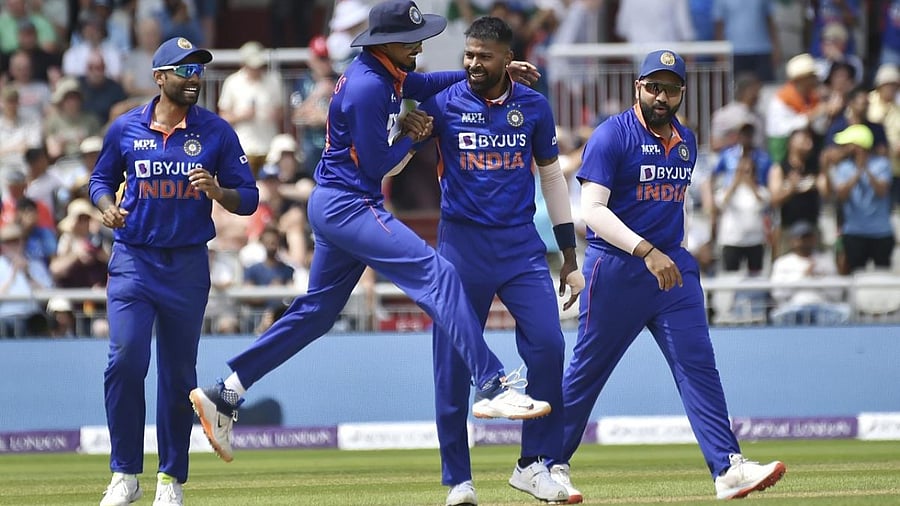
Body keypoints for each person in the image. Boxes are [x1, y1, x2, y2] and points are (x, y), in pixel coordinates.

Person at [190, 0, 550, 466]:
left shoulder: (384, 72)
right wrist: (413, 132)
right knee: (438, 274)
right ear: (387, 43)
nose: (421, 45)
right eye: (413, 38)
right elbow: (380, 164)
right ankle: (493, 382)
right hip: (349, 204)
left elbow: (426, 82)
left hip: (338, 202)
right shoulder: (366, 88)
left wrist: (493, 75)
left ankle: (226, 391)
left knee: (318, 312)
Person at [546, 49, 786, 502]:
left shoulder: (688, 140)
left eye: (670, 88)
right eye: (653, 86)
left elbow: (677, 202)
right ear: (638, 87)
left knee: (698, 367)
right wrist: (646, 250)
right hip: (617, 267)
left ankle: (727, 468)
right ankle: (549, 464)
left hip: (673, 268)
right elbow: (592, 211)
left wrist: (678, 249)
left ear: (681, 93)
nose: (661, 95)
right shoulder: (611, 135)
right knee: (587, 372)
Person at [414, 16, 583, 506]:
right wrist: (403, 129)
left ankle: (534, 466)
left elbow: (552, 179)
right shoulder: (443, 102)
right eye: (468, 54)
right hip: (461, 247)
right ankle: (459, 482)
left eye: (483, 56)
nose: (472, 64)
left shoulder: (533, 105)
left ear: (507, 59)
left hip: (521, 248)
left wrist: (569, 254)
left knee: (549, 347)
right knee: (450, 362)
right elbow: (399, 159)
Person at [89, 37, 259, 506]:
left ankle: (170, 479)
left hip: (186, 264)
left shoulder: (217, 133)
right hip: (133, 261)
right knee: (125, 360)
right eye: (184, 70)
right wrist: (106, 206)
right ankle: (125, 474)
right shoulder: (125, 129)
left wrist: (219, 192)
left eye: (198, 70)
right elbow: (100, 179)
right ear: (159, 77)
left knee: (178, 373)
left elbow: (250, 197)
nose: (194, 78)